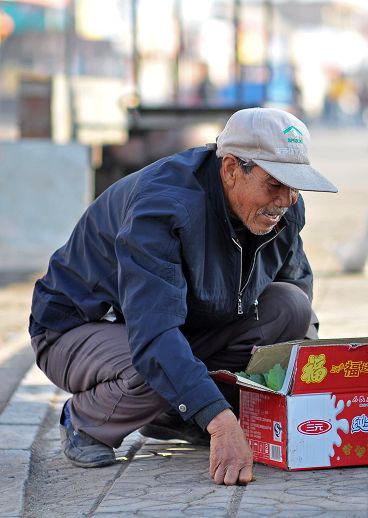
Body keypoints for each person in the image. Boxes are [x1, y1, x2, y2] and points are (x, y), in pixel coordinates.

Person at [29, 108, 337, 485]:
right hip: (78, 330)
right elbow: (154, 336)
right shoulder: (163, 207)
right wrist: (220, 422)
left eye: (295, 185)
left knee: (291, 307)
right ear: (229, 169)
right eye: (275, 184)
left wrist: (308, 387)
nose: (287, 199)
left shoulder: (282, 208)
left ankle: (173, 413)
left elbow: (296, 289)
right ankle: (86, 420)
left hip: (178, 324)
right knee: (153, 365)